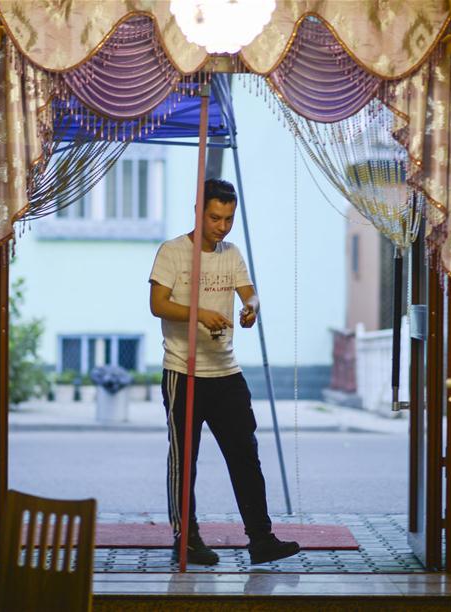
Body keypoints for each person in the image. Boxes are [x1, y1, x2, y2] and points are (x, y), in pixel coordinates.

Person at [148, 178, 301, 566]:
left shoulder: (231, 253)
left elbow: (250, 292)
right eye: (215, 218)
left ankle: (261, 539)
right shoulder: (172, 252)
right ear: (198, 211)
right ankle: (187, 539)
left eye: (228, 219)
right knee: (184, 459)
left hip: (226, 372)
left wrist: (251, 307)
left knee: (245, 455)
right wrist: (200, 314)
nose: (222, 226)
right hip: (183, 372)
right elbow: (157, 305)